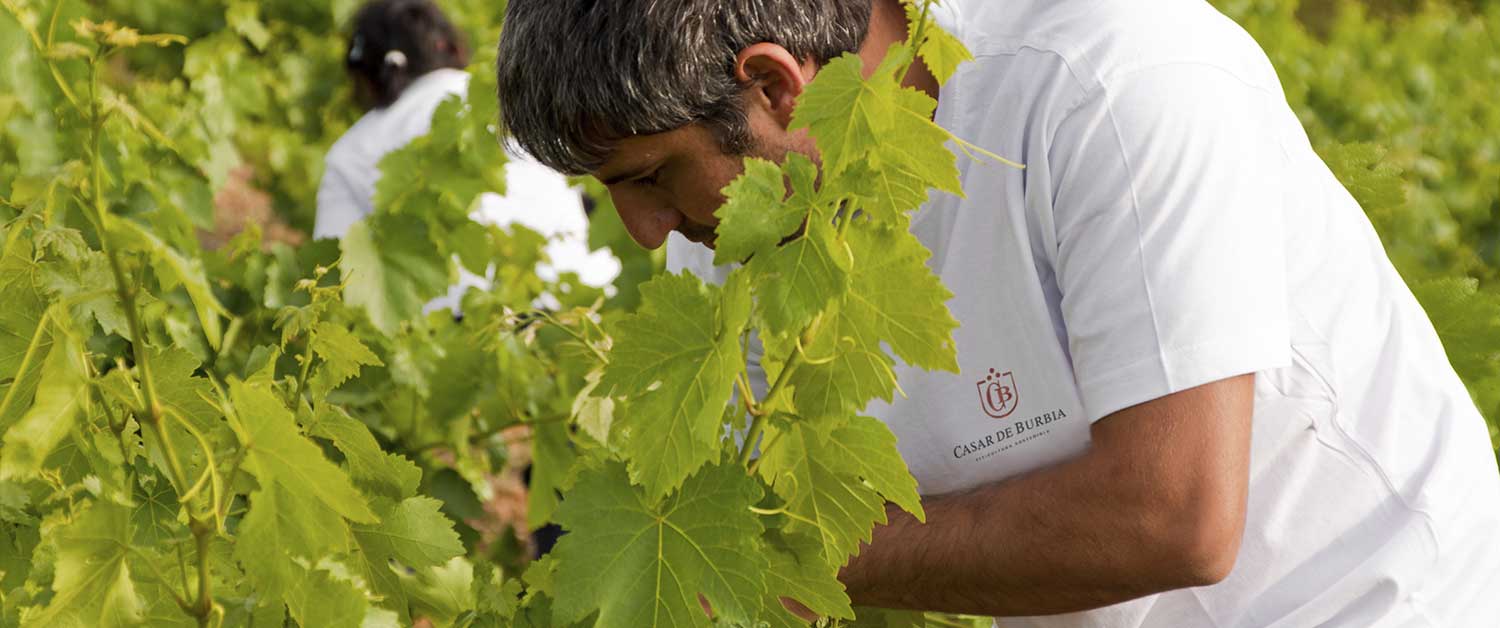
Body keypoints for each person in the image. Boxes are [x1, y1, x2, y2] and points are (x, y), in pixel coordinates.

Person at [495, 0, 1500, 626]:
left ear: (774, 86)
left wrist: (788, 557)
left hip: (1367, 604)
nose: (642, 232)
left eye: (651, 177)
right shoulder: (754, 238)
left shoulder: (1115, 82)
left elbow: (1178, 515)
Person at [316, 0, 619, 308]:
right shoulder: (503, 95)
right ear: (447, 45)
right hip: (584, 303)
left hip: (467, 323)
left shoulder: (350, 150)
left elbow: (332, 270)